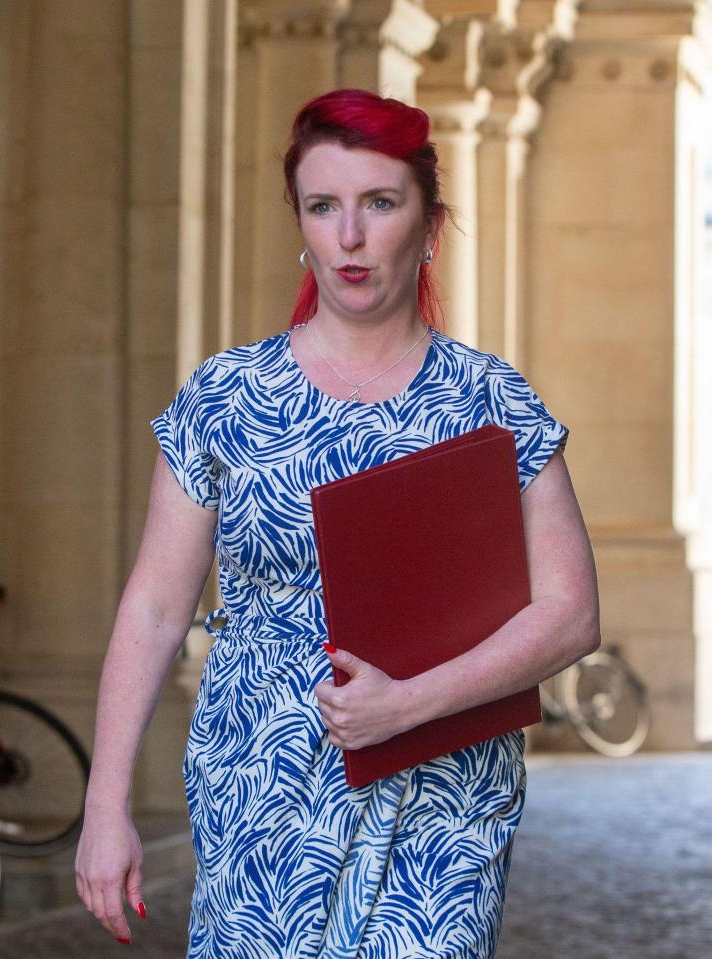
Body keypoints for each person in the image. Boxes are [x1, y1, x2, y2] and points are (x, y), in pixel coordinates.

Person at [75, 88, 600, 958]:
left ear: (428, 225)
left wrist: (405, 706)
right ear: (302, 225)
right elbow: (155, 610)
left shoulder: (488, 399)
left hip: (442, 790)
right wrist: (104, 808)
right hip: (257, 777)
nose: (349, 236)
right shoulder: (226, 396)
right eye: (324, 207)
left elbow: (570, 613)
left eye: (378, 204)